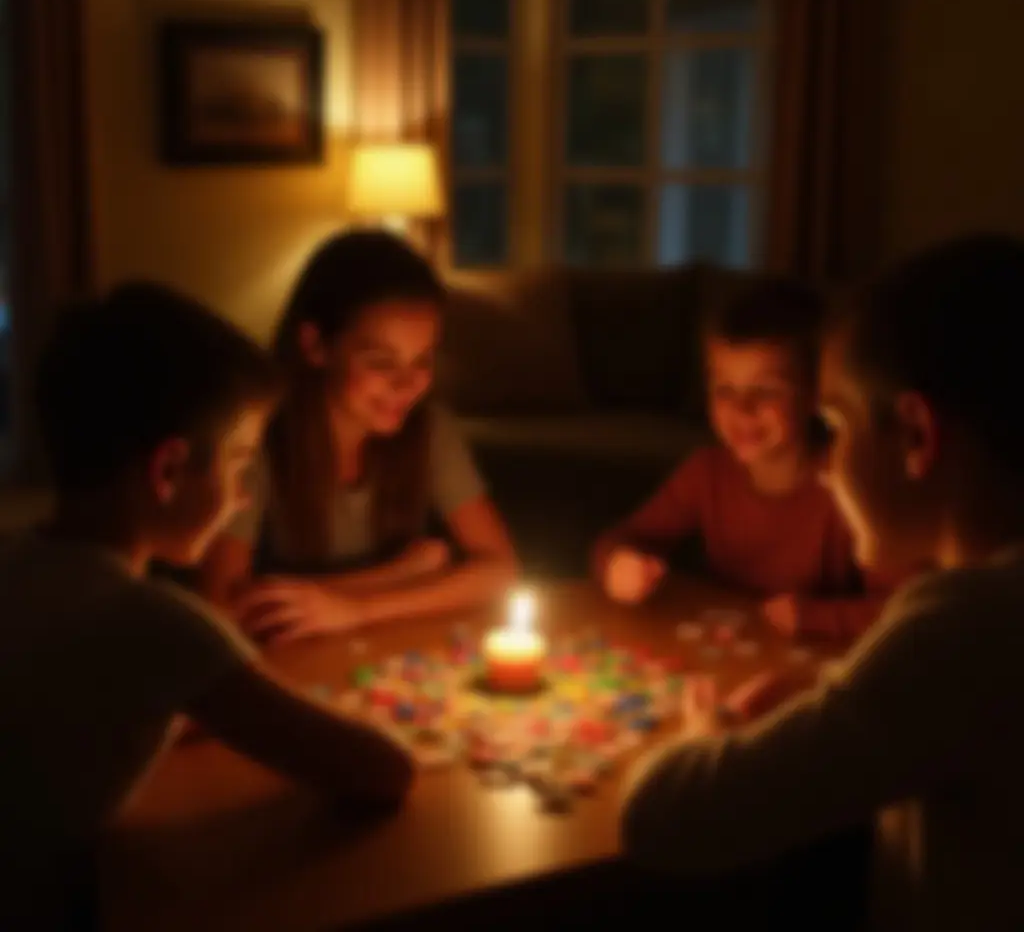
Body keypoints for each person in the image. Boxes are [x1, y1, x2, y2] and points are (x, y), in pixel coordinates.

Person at [620, 233, 1024, 931]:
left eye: (834, 426)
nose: (828, 462)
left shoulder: (964, 628)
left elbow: (663, 818)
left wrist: (704, 731)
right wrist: (830, 692)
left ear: (916, 436)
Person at [0, 283, 415, 929]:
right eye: (241, 461)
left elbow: (96, 700)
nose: (244, 497)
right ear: (168, 471)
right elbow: (382, 772)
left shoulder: (19, 557)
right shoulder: (151, 620)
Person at [200, 230, 518, 643]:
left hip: (384, 648)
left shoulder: (429, 428)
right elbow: (219, 606)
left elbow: (500, 570)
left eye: (422, 360)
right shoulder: (259, 440)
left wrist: (357, 609)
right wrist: (399, 574)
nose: (407, 385)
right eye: (381, 363)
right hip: (286, 658)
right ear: (316, 345)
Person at [592, 273, 887, 641]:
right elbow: (619, 539)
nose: (742, 410)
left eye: (765, 392)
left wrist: (816, 616)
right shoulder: (706, 473)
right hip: (730, 659)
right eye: (724, 390)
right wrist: (620, 566)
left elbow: (902, 609)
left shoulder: (847, 485)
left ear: (815, 394)